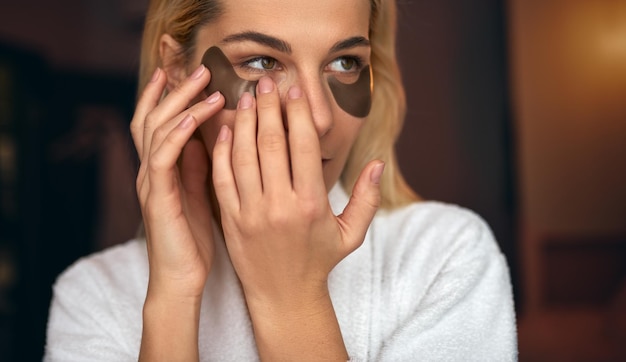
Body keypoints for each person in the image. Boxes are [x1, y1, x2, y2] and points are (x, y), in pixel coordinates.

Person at [44, 0, 518, 360]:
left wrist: (292, 300)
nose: (316, 118)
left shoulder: (446, 256)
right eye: (263, 62)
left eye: (345, 62)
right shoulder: (93, 296)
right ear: (177, 71)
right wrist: (173, 299)